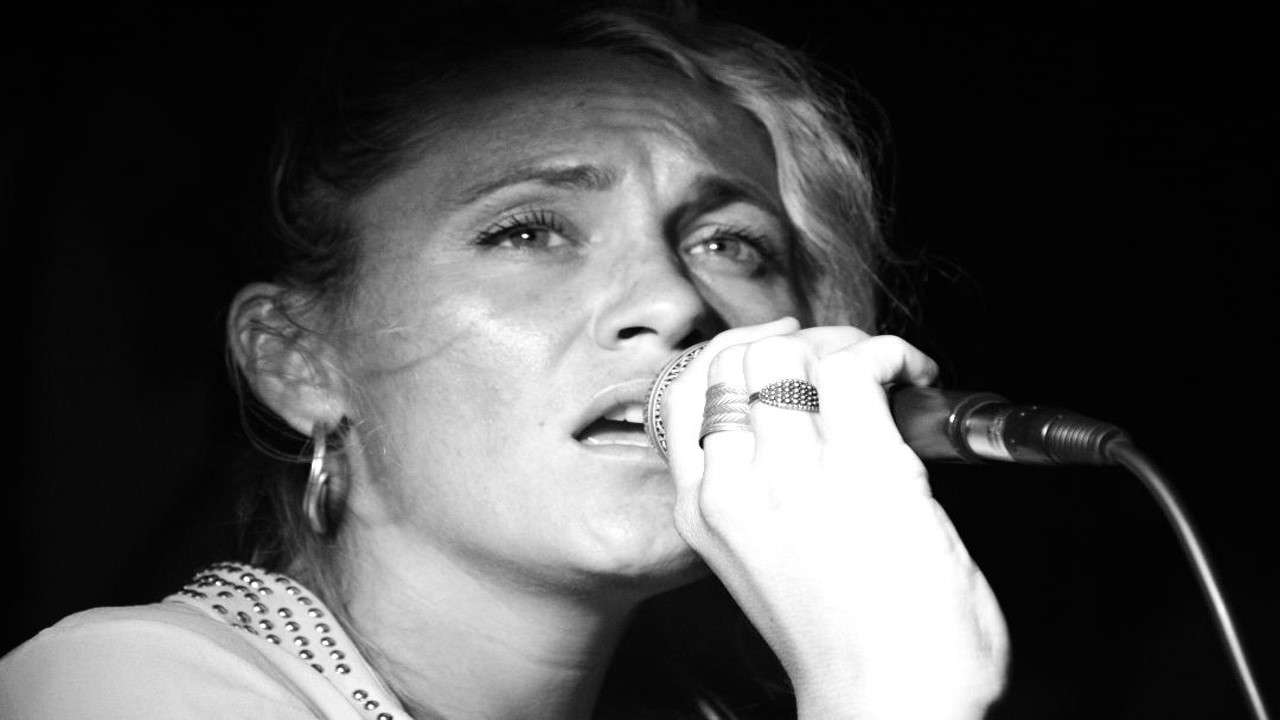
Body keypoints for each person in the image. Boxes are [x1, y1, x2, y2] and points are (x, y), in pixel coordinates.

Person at [0, 5, 1008, 718]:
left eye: (732, 244)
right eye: (529, 231)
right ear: (298, 362)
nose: (674, 301)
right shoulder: (118, 688)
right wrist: (888, 687)